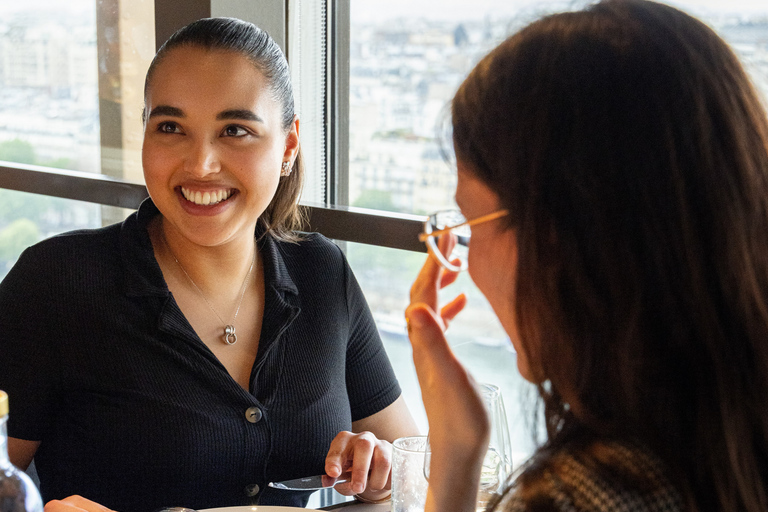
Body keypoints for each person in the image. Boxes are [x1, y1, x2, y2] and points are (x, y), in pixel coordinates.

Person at [0, 17, 418, 512]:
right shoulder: (57, 281)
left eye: (235, 130)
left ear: (288, 146)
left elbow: (412, 471)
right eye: (171, 127)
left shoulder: (320, 271)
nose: (200, 164)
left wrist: (379, 472)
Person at [406, 0, 768, 511]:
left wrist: (453, 469)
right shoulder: (725, 438)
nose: (462, 256)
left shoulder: (579, 495)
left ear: (552, 238)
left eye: (469, 223)